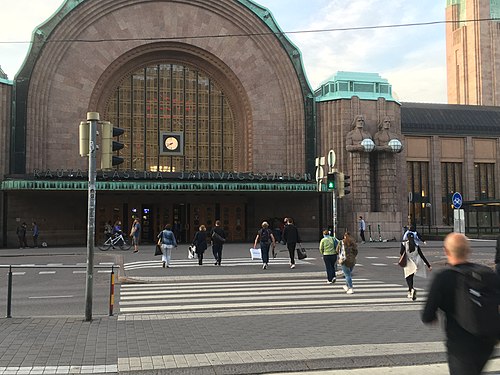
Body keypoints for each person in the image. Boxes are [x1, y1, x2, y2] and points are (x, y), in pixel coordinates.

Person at [422, 233, 498, 375]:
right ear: (469, 251)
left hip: (460, 346)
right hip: (486, 343)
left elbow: (427, 315)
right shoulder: (487, 273)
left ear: (446, 251)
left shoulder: (443, 278)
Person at [401, 225, 432, 300]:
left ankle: (411, 289)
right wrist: (429, 265)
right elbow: (422, 256)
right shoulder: (416, 246)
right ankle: (410, 291)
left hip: (408, 262)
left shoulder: (404, 244)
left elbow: (401, 252)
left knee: (407, 277)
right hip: (416, 263)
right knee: (410, 276)